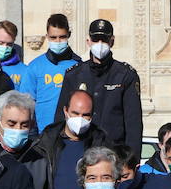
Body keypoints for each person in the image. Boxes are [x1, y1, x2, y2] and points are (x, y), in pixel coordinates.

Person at [55, 19, 143, 148]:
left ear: (112, 41)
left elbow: (133, 123)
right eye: (96, 39)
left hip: (113, 150)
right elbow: (60, 117)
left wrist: (131, 158)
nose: (100, 44)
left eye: (104, 40)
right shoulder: (74, 75)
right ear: (88, 41)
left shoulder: (125, 75)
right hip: (81, 148)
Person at [38, 89, 109, 189]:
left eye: (85, 115)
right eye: (75, 113)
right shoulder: (48, 141)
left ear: (92, 116)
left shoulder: (101, 143)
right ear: (65, 111)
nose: (80, 119)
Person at [0, 91, 55, 189]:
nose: (18, 129)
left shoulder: (40, 158)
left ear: (31, 125)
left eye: (24, 125)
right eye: (11, 124)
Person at [24, 13, 81, 132]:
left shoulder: (79, 65)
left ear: (69, 35)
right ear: (47, 37)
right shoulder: (35, 66)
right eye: (53, 37)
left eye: (62, 37)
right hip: (43, 132)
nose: (58, 41)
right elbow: (26, 103)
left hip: (71, 131)